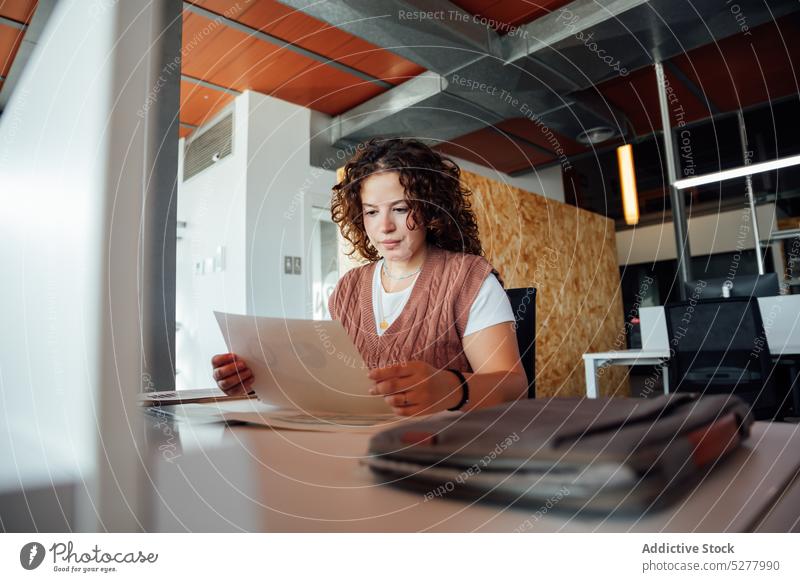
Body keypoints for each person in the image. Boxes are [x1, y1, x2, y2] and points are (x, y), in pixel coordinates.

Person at [212, 138, 528, 415]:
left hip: (441, 454)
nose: (384, 226)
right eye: (372, 211)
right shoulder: (347, 289)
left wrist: (449, 388)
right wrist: (260, 380)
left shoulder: (468, 278)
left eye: (401, 209)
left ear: (431, 210)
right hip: (355, 452)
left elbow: (514, 386)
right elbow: (328, 383)